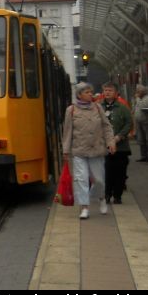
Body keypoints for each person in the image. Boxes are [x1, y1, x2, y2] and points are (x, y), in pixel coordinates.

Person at [62, 82, 115, 219]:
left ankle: (102, 198)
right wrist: (66, 150)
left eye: (91, 92)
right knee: (81, 179)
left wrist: (110, 142)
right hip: (79, 150)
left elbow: (106, 126)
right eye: (87, 92)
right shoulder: (71, 110)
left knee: (98, 180)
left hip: (97, 149)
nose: (90, 94)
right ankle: (84, 207)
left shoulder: (97, 108)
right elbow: (67, 131)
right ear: (79, 95)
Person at [101, 81, 132, 204]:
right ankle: (107, 194)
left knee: (120, 172)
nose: (107, 92)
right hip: (104, 146)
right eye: (105, 90)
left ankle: (117, 195)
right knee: (106, 171)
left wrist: (119, 136)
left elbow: (129, 123)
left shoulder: (123, 108)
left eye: (110, 90)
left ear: (116, 93)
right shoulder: (98, 107)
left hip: (121, 147)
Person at [133, 84, 148, 162]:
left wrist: (137, 99)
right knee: (141, 140)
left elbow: (143, 107)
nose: (137, 92)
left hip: (147, 122)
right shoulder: (139, 99)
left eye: (138, 91)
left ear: (142, 92)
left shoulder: (147, 99)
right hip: (140, 122)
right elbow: (136, 108)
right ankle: (144, 156)